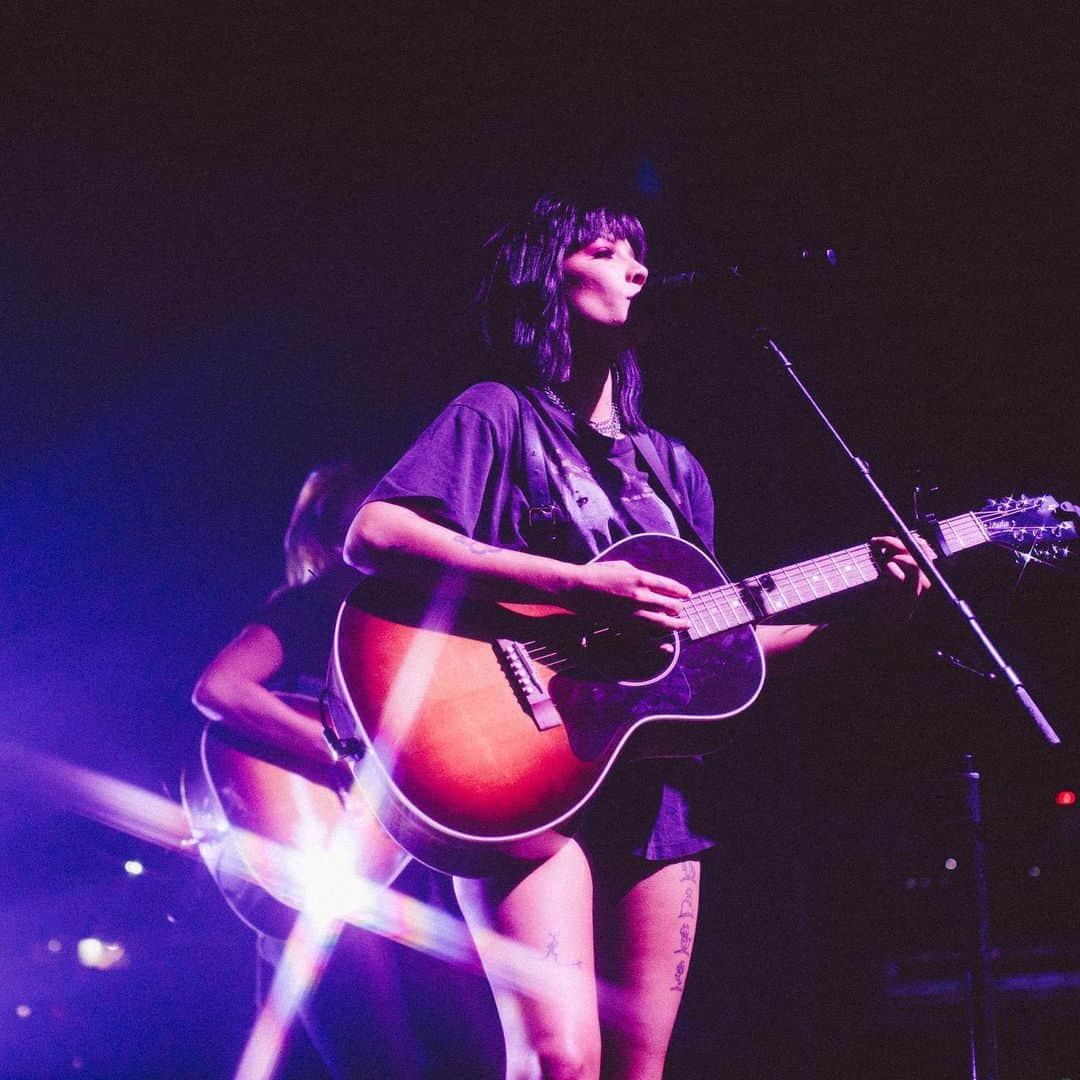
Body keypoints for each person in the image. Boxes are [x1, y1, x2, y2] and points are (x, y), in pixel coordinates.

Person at [343, 194, 930, 1080]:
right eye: (609, 249)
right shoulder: (497, 413)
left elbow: (704, 648)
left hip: (645, 791)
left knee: (637, 1070)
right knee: (559, 1061)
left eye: (641, 255)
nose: (638, 269)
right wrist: (577, 585)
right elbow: (375, 534)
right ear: (549, 274)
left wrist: (870, 623)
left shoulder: (673, 467)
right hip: (512, 770)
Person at [192, 462, 419, 1077]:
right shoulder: (313, 606)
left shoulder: (419, 623)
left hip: (400, 861)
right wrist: (339, 751)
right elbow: (220, 687)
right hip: (330, 864)